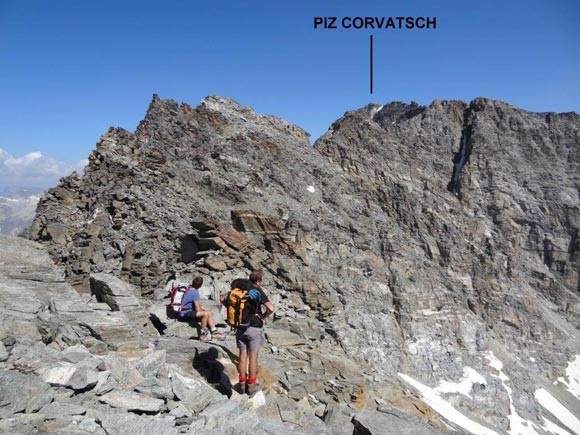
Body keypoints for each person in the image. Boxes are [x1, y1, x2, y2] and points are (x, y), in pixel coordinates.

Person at [221, 270, 274, 395]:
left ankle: (242, 383)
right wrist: (262, 316)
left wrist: (232, 311)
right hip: (254, 327)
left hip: (239, 327)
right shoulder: (258, 291)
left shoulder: (240, 289)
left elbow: (223, 299)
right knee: (253, 357)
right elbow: (271, 308)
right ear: (259, 281)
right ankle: (251, 385)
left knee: (242, 355)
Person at [180, 276, 223, 341]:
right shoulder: (195, 293)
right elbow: (197, 309)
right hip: (185, 313)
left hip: (185, 311)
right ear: (200, 285)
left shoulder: (189, 288)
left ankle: (214, 332)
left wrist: (205, 311)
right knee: (205, 314)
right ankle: (203, 335)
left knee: (209, 312)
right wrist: (204, 312)